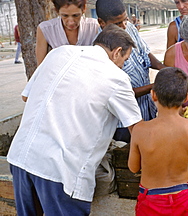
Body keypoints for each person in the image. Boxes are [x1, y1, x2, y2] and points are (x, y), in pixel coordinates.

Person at [7, 24, 142, 215]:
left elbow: (27, 96)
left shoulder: (58, 53)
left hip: (21, 157)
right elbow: (137, 129)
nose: (122, 65)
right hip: (61, 171)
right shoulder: (117, 77)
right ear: (117, 52)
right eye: (124, 60)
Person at [128, 67, 188, 215]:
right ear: (186, 97)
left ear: (153, 95)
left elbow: (133, 167)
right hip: (181, 196)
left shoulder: (140, 130)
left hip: (151, 199)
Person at [95, 0, 166, 142]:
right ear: (101, 22)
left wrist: (162, 68)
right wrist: (154, 86)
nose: (123, 26)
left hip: (147, 109)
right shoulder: (101, 49)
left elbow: (145, 53)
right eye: (117, 23)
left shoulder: (130, 29)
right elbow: (122, 94)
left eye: (124, 20)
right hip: (124, 124)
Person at [35, 0, 99, 65]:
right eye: (65, 16)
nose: (71, 22)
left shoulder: (94, 27)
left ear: (84, 8)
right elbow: (41, 67)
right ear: (57, 10)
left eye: (76, 15)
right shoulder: (45, 29)